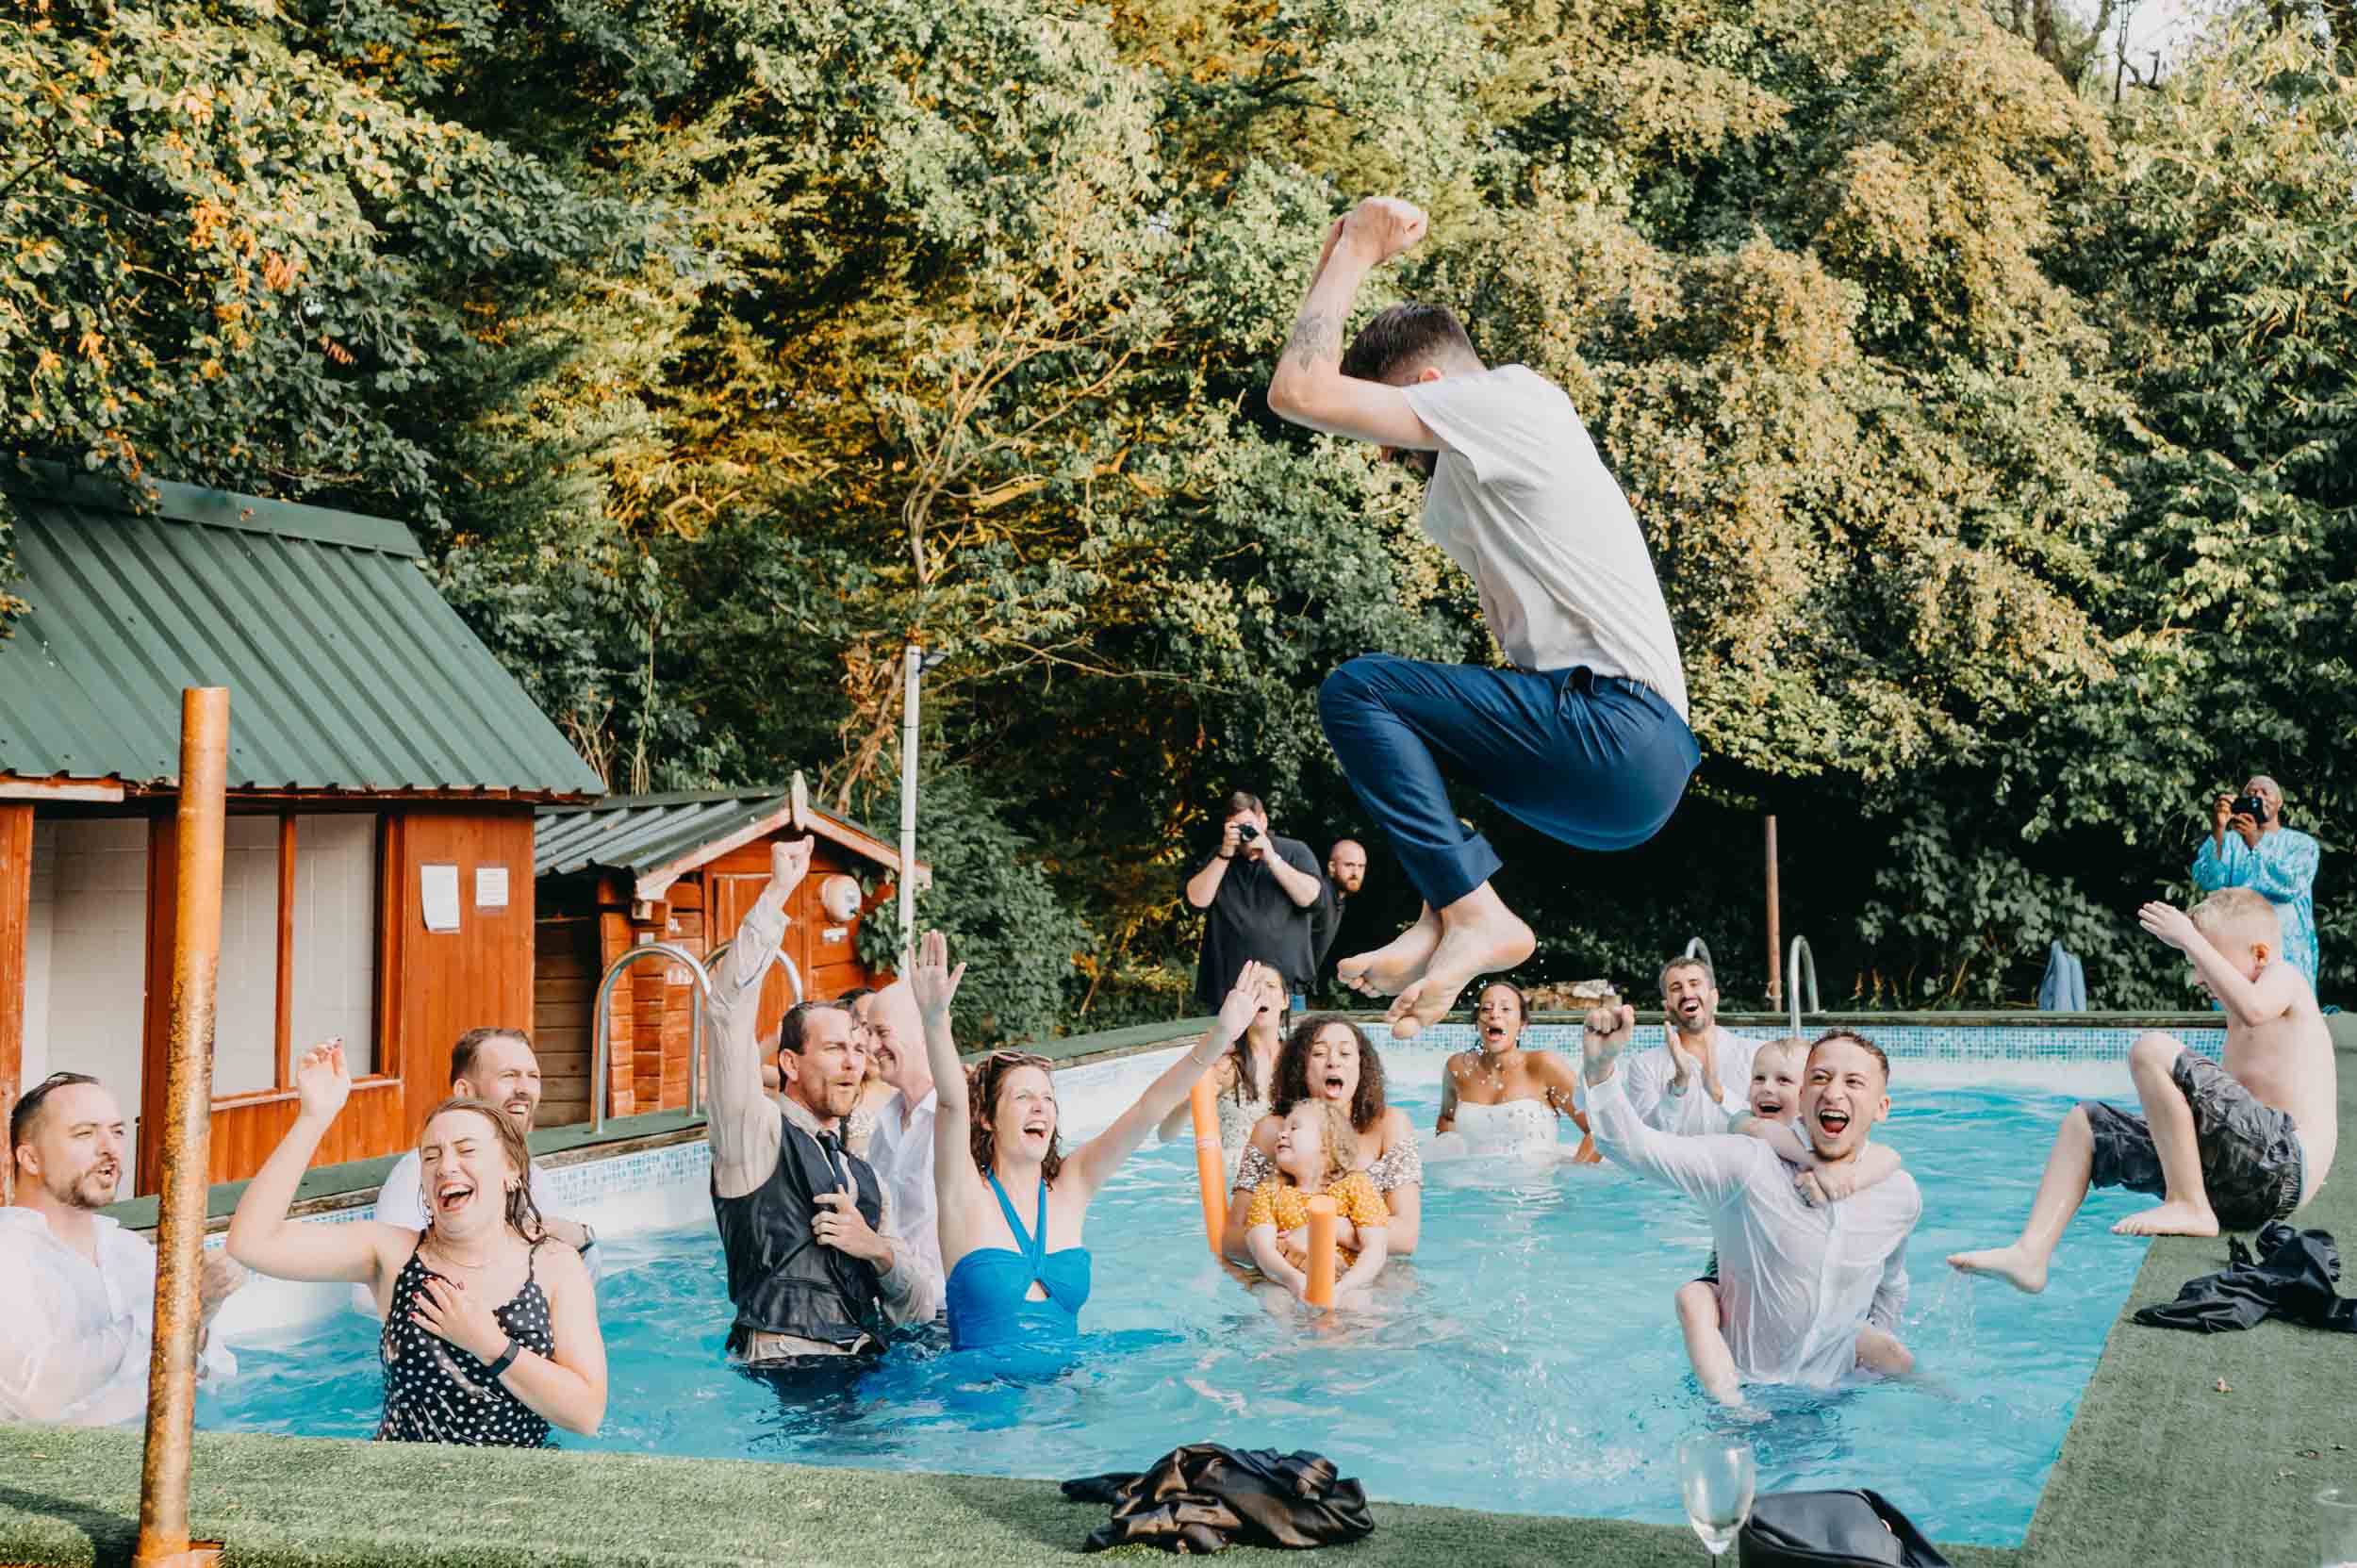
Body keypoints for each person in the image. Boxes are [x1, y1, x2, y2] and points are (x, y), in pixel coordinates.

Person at [1268, 196, 1696, 1038]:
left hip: (1620, 729)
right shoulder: (1469, 480)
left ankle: (1473, 914)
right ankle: (1447, 916)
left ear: (1431, 389)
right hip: (1626, 779)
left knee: (1358, 694)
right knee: (1419, 739)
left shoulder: (1511, 401)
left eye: (1400, 432)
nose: (1393, 457)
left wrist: (1356, 251)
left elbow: (1299, 389)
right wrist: (1331, 258)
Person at [1950, 889, 2338, 1291]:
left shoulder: (2284, 978)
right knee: (2086, 1123)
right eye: (2195, 963)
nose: (2199, 976)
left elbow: (2255, 1010)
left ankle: (2187, 1204)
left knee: (2151, 1048)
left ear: (2259, 954)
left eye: (2206, 960)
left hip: (2282, 1164)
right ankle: (2031, 1254)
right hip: (2239, 1186)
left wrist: (2189, 937)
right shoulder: (2241, 1014)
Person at [228, 1043, 607, 1444]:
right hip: (400, 1482)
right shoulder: (391, 1255)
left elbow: (586, 1413)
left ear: (510, 1171)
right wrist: (313, 1117)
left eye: (466, 1151)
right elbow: (251, 1242)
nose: (446, 1166)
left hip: (516, 1487)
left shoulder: (555, 1265)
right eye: (431, 1156)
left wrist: (490, 1344)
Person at [910, 933, 1244, 1358]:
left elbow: (1148, 1109)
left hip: (1067, 1400)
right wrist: (936, 1021)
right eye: (1023, 1098)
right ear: (988, 1118)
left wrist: (1221, 1035)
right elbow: (952, 1101)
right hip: (982, 1407)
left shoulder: (1073, 1185)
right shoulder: (964, 1192)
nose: (1040, 1108)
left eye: (1047, 1098)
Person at [1583, 1009, 1921, 1392]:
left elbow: (1891, 1285)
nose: (1833, 1092)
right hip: (1745, 1403)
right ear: (1804, 1093)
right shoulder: (1746, 1164)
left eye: (1854, 1082)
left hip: (1838, 1398)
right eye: (1820, 1078)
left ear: (1882, 1108)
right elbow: (1634, 1148)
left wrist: (1873, 1355)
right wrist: (1600, 1071)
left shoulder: (1898, 1194)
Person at [704, 839, 943, 1368]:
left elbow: (919, 1305)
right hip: (790, 1362)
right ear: (789, 1064)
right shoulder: (755, 1136)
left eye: (859, 1050)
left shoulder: (864, 1175)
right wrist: (778, 893)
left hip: (866, 1367)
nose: (853, 1062)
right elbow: (725, 1013)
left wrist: (875, 1250)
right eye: (835, 1048)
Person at [1673, 1037, 1907, 1403]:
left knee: (1888, 1349)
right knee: (1692, 1297)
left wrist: (1845, 1180)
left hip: (1807, 1311)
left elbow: (1889, 1157)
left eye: (1784, 1081)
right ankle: (1727, 1397)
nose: (1767, 1088)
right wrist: (1815, 1165)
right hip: (1731, 1279)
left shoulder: (1835, 1145)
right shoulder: (1751, 1127)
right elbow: (1753, 1127)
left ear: (1804, 1097)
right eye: (1758, 1078)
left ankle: (1940, 1394)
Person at [0, 1072, 243, 1425]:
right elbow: (39, 1398)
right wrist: (177, 1308)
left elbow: (216, 1378)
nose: (109, 1148)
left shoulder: (130, 1251)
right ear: (31, 1159)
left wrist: (203, 1310)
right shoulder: (10, 1256)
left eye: (117, 1132)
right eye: (84, 1133)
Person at [371, 1028, 597, 1263]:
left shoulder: (532, 1175)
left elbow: (580, 1264)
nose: (524, 1088)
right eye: (508, 1075)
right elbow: (376, 1285)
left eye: (533, 1076)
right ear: (464, 1092)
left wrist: (583, 1237)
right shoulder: (422, 1173)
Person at [1228, 1015, 1425, 1257]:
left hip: (1372, 1274)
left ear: (1362, 1067)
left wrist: (1324, 1230)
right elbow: (1232, 1237)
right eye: (1319, 1054)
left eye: (1345, 1053)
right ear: (1301, 1068)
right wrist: (1282, 1250)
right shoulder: (1274, 1131)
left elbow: (1407, 1236)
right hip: (1285, 1268)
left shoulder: (1389, 1125)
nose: (1333, 1062)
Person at [1183, 790, 1326, 1015]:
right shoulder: (1220, 857)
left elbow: (1311, 897)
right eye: (1235, 827)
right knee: (1228, 1051)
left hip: (1285, 989)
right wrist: (1224, 855)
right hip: (1229, 990)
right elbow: (1196, 900)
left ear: (1263, 821)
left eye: (1248, 825)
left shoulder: (1294, 851)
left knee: (1289, 1051)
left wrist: (1271, 857)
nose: (1243, 834)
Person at [1244, 1099, 1391, 1309]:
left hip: (1348, 1280)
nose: (1282, 1134)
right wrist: (1294, 1280)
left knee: (1358, 1303)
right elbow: (1262, 1250)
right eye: (1283, 1129)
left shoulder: (1355, 1185)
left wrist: (1344, 1287)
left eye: (1294, 1128)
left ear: (1326, 1144)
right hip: (1285, 1281)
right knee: (1274, 1302)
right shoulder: (1269, 1191)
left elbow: (1375, 1248)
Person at [1158, 962, 1288, 1187]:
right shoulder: (1228, 1066)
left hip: (1288, 1175)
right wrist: (1194, 1099)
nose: (1261, 992)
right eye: (1254, 986)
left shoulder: (1298, 1059)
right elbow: (1165, 1134)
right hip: (1235, 1181)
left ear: (1285, 1000)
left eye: (1270, 986)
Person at [1430, 980, 1589, 1162]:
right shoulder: (1458, 1067)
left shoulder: (1544, 1065)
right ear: (1477, 1022)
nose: (1494, 1015)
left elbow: (1597, 1132)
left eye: (1505, 1009)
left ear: (1523, 1023)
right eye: (1486, 1009)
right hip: (1471, 1185)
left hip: (1534, 1186)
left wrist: (1574, 1174)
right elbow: (1447, 1119)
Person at [2192, 775, 2320, 992]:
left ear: (2279, 802)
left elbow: (2291, 885)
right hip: (2236, 950)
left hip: (2289, 950)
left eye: (2265, 792)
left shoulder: (2302, 844)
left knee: (2288, 1014)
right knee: (2236, 1013)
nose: (2258, 796)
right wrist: (2219, 830)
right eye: (2251, 793)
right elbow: (2209, 880)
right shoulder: (2229, 841)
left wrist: (2255, 841)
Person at [859, 980, 945, 1294]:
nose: (870, 1047)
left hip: (949, 1311)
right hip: (898, 1303)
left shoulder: (966, 1119)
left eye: (882, 1033)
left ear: (924, 1031)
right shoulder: (885, 1124)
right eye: (868, 1033)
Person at [1621, 955, 1761, 1135]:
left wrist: (1719, 1093)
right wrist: (1678, 1084)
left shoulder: (1754, 1054)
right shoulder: (1644, 1065)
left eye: (1694, 984)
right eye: (1676, 988)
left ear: (1714, 997)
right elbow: (1646, 1140)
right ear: (1667, 1006)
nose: (1687, 993)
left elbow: (1772, 1126)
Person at [1309, 838, 1369, 999]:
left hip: (1301, 986)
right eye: (1349, 865)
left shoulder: (1339, 899)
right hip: (1285, 985)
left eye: (1360, 866)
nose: (1355, 872)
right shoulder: (1318, 894)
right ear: (1332, 867)